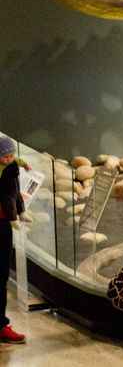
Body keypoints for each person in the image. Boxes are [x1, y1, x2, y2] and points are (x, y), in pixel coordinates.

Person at [0, 135, 31, 345]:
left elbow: (12, 194)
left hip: (3, 227)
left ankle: (0, 325)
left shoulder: (11, 169)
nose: (8, 158)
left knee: (1, 275)